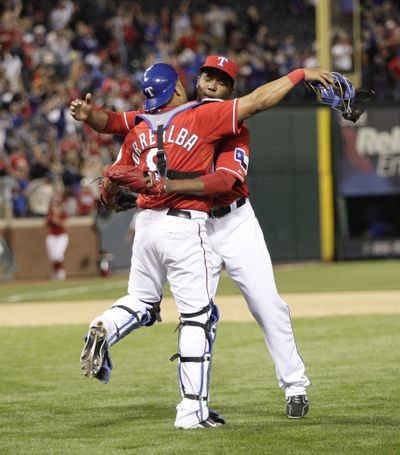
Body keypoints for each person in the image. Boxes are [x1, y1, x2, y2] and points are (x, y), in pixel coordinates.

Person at [73, 61, 332, 429]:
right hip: (190, 226)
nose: (212, 83)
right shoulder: (170, 120)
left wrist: (158, 187)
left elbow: (224, 181)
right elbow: (116, 134)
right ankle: (193, 406)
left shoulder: (229, 124)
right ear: (191, 82)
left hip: (233, 221)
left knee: (267, 305)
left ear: (230, 90)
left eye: (222, 81)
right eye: (208, 76)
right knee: (197, 317)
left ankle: (295, 386)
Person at [45, 194, 69, 280]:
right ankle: (55, 272)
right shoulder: (50, 215)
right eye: (54, 206)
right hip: (51, 236)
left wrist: (57, 221)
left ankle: (61, 272)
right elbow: (46, 224)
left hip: (62, 236)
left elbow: (65, 225)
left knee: (58, 254)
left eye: (56, 206)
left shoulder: (63, 214)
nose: (55, 208)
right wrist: (52, 218)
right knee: (52, 256)